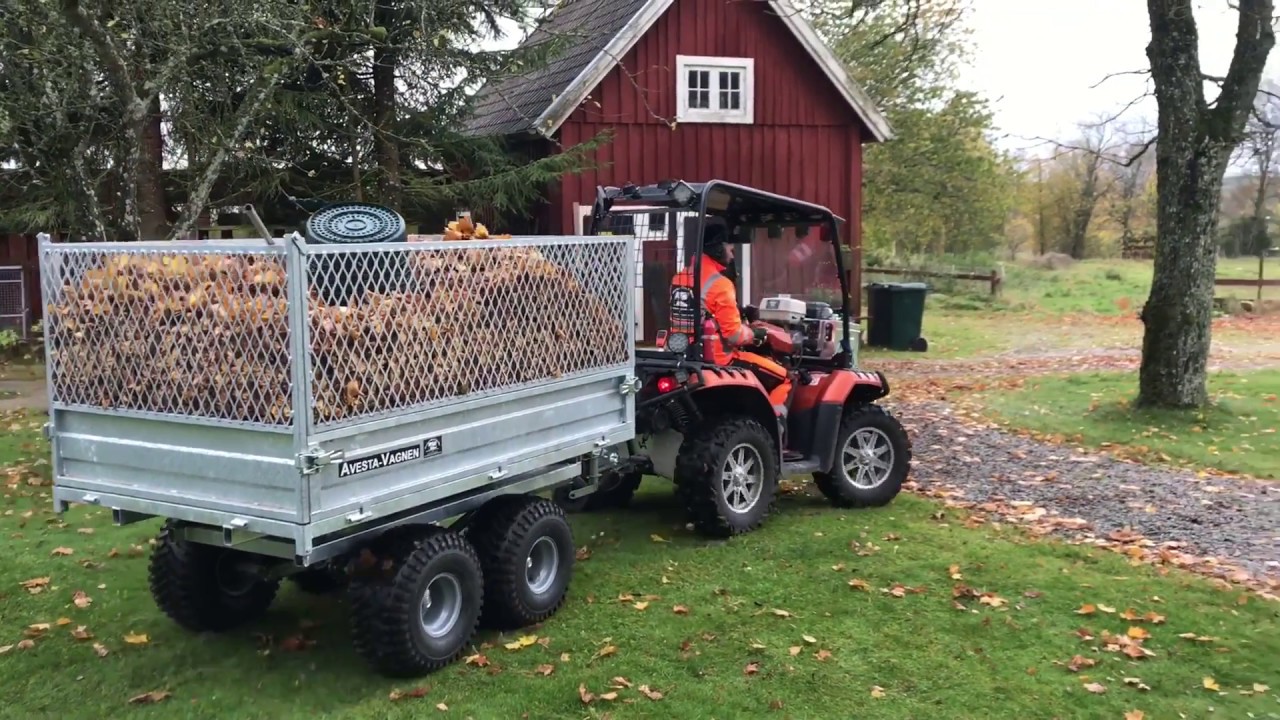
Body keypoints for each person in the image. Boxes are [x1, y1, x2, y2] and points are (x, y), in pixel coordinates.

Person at [669, 222, 793, 418]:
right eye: (730, 249)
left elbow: (702, 312)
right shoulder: (721, 284)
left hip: (686, 355)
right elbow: (734, 335)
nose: (733, 255)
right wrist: (757, 334)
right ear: (718, 249)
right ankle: (775, 429)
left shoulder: (680, 278)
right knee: (786, 378)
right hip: (721, 359)